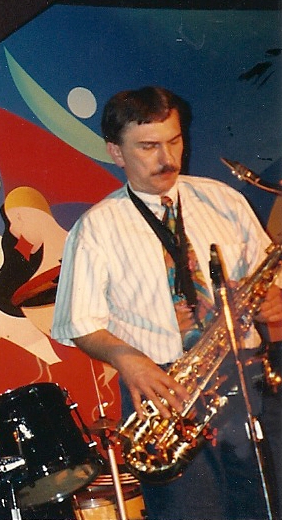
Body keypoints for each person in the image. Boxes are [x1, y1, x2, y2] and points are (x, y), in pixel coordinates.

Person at [50, 85, 282, 520]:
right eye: (148, 146)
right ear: (116, 152)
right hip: (166, 389)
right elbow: (78, 322)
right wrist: (127, 359)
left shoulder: (224, 200)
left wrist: (277, 298)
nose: (167, 158)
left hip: (251, 381)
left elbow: (271, 281)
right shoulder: (96, 227)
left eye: (174, 141)